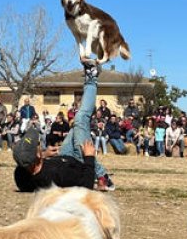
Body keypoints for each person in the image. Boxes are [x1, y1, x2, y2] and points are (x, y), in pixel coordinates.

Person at [13, 63, 114, 192]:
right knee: (80, 119)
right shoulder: (59, 175)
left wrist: (43, 155)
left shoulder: (21, 174)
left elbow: (26, 167)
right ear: (36, 155)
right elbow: (86, 185)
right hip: (79, 161)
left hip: (64, 156)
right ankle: (91, 77)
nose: (40, 145)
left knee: (76, 125)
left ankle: (90, 78)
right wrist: (89, 157)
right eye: (38, 144)